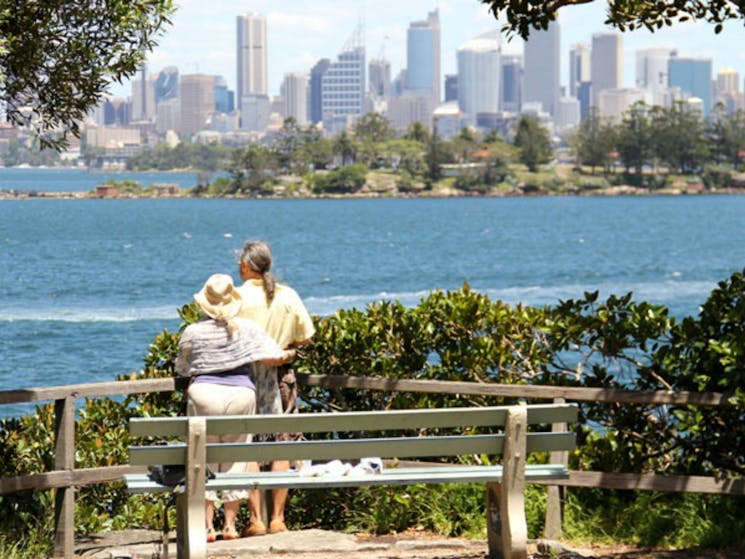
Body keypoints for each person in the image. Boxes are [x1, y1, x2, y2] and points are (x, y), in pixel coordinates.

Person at [175, 273, 295, 543]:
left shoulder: (192, 331)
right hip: (241, 393)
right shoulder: (247, 328)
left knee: (201, 459)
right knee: (236, 460)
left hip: (203, 393)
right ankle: (230, 525)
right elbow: (274, 356)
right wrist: (289, 355)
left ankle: (207, 527)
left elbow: (181, 368)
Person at [236, 240, 315, 537]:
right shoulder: (288, 295)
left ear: (245, 266)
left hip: (243, 376)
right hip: (281, 373)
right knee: (282, 444)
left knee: (248, 446)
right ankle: (278, 519)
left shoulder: (235, 297)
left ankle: (255, 519)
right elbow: (306, 336)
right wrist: (285, 348)